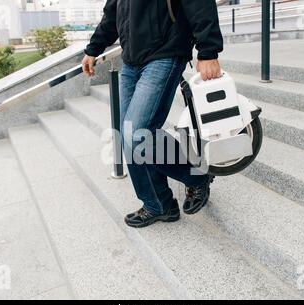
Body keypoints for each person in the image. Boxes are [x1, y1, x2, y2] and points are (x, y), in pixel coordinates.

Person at [82, 0, 224, 228]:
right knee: (129, 135)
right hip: (131, 60)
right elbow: (112, 14)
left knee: (139, 134)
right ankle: (158, 204)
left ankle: (197, 176)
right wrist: (93, 49)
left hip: (165, 52)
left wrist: (208, 50)